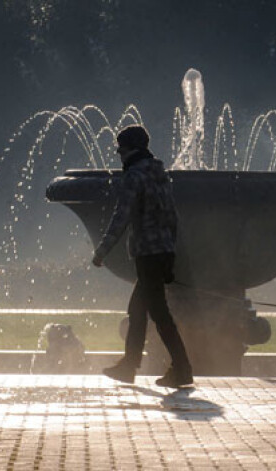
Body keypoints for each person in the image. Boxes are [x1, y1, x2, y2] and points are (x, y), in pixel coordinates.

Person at [92, 125, 193, 388]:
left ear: (131, 149)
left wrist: (103, 250)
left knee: (159, 315)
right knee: (138, 310)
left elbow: (121, 216)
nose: (119, 153)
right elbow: (172, 216)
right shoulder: (160, 173)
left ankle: (182, 368)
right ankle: (130, 365)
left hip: (147, 254)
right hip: (162, 252)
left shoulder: (134, 176)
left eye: (121, 148)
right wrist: (171, 254)